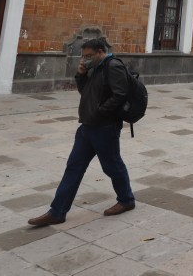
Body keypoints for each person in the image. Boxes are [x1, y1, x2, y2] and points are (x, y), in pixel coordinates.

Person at [28, 38, 135, 226]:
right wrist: (81, 75)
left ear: (101, 51)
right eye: (83, 56)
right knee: (74, 167)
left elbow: (120, 95)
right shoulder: (96, 67)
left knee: (112, 166)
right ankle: (57, 212)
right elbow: (86, 92)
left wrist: (99, 112)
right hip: (87, 127)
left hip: (104, 127)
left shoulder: (113, 66)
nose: (85, 59)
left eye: (89, 56)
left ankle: (126, 200)